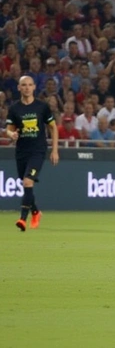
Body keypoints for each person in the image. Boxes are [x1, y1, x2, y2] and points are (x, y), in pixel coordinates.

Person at [5, 76, 59, 231]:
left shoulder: (42, 107)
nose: (27, 88)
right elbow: (9, 129)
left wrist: (55, 150)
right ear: (19, 88)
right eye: (24, 85)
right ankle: (35, 211)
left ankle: (22, 219)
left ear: (34, 87)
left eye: (29, 85)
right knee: (26, 185)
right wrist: (11, 135)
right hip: (22, 151)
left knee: (27, 182)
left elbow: (53, 127)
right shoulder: (14, 108)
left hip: (38, 150)